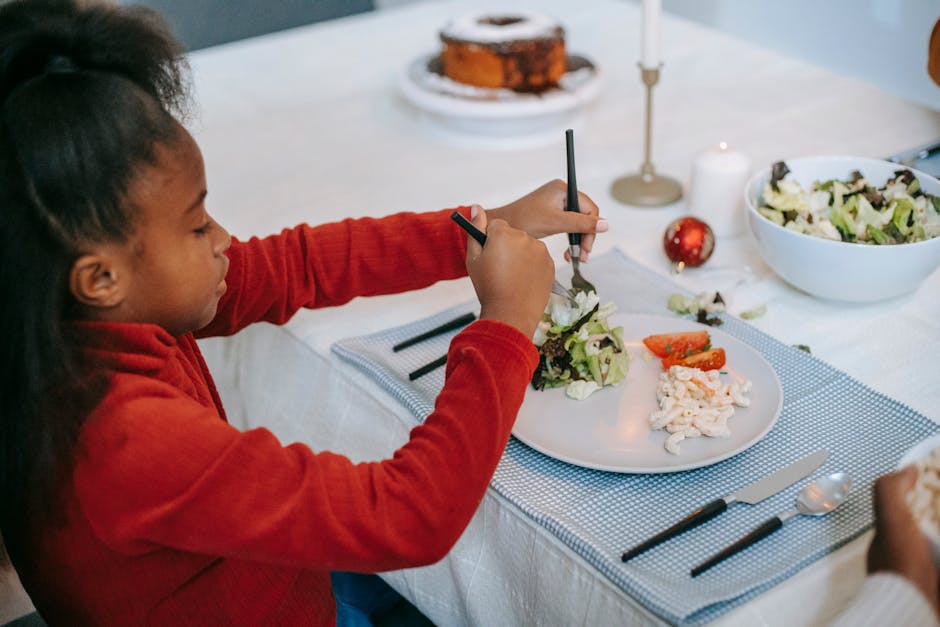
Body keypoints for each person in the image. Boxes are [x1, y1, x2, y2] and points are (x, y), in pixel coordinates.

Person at [0, 0, 607, 624]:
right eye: (195, 225)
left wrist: (483, 229)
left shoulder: (64, 316)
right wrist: (505, 323)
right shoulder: (124, 440)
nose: (222, 239)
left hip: (274, 579)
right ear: (100, 277)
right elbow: (408, 518)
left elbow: (293, 265)